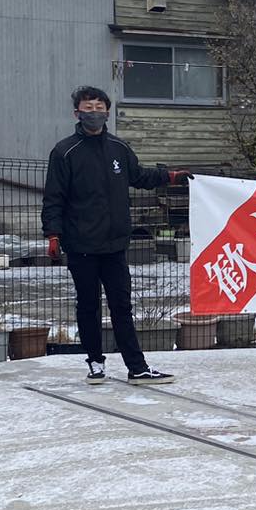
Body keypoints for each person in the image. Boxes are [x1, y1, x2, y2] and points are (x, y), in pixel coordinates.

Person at [42, 85, 186, 385]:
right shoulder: (64, 151)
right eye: (87, 108)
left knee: (122, 305)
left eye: (98, 108)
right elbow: (54, 197)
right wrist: (53, 235)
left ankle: (137, 367)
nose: (93, 113)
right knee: (88, 305)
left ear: (107, 112)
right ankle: (95, 361)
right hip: (81, 243)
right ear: (76, 113)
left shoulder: (119, 148)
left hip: (115, 244)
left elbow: (139, 176)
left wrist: (169, 176)